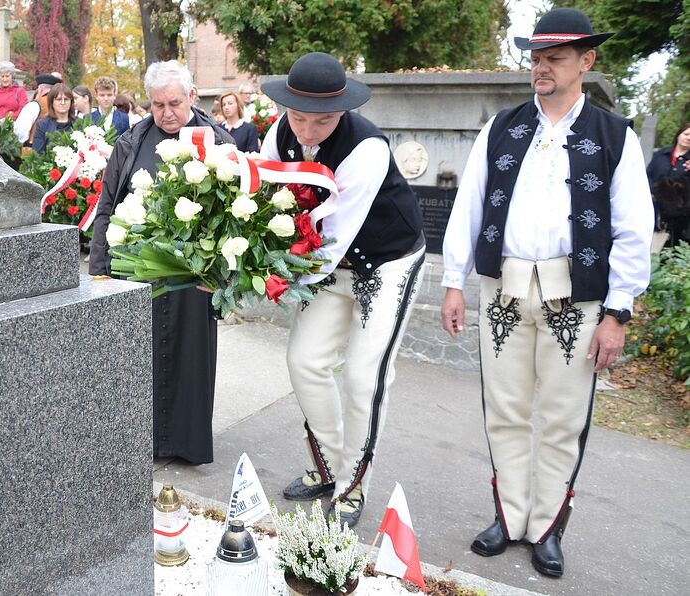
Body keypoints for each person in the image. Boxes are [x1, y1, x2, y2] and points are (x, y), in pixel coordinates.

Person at [440, 8, 653, 578]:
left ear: (587, 62)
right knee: (504, 410)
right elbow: (469, 206)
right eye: (536, 57)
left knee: (562, 417)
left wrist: (618, 312)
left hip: (577, 294)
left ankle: (547, 526)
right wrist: (453, 282)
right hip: (503, 286)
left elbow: (633, 228)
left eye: (555, 58)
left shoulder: (615, 136)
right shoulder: (502, 127)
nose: (541, 67)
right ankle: (509, 519)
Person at [260, 52, 426, 528]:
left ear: (344, 110)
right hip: (326, 262)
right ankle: (329, 467)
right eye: (298, 118)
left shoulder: (367, 147)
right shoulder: (279, 134)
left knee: (363, 377)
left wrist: (280, 280)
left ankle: (353, 486)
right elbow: (264, 200)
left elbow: (333, 238)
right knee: (304, 361)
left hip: (385, 262)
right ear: (285, 107)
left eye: (324, 121)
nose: (308, 133)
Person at [88, 61, 235, 465]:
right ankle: (140, 441)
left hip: (193, 276)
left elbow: (237, 215)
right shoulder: (130, 142)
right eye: (157, 105)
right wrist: (98, 267)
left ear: (192, 97)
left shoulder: (217, 142)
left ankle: (185, 444)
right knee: (138, 361)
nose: (166, 112)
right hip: (138, 270)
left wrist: (226, 278)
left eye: (174, 103)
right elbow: (108, 204)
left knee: (189, 360)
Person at [647, 123, 690, 245]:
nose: (688, 138)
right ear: (678, 135)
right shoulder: (661, 154)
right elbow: (647, 174)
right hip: (654, 207)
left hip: (679, 216)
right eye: (686, 134)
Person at [13, 73, 62, 145]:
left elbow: (21, 130)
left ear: (41, 89)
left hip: (35, 148)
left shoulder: (34, 105)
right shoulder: (62, 104)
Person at [32, 83, 76, 154]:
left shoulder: (79, 124)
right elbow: (37, 153)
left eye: (66, 99)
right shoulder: (43, 125)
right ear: (52, 102)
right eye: (58, 99)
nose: (62, 102)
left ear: (71, 102)